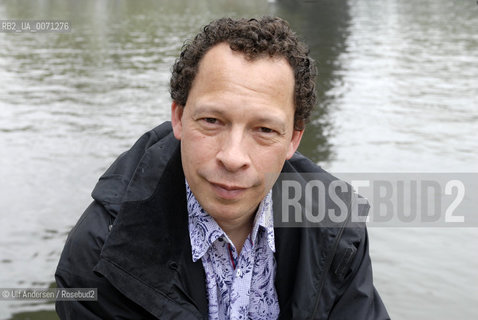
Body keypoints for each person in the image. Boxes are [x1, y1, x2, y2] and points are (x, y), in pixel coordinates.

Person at [55, 17, 389, 319]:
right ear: (179, 118)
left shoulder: (337, 228)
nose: (232, 157)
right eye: (212, 121)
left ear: (293, 139)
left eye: (265, 130)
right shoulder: (100, 250)